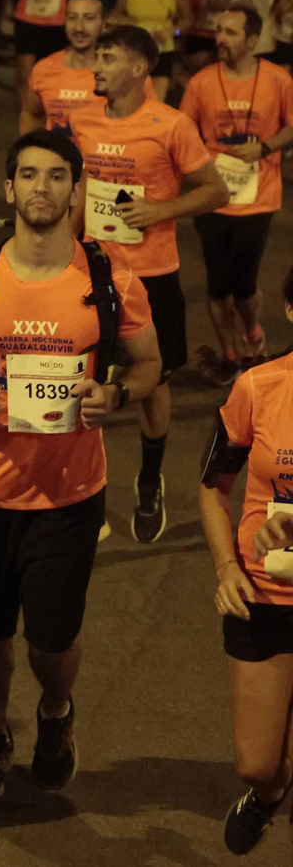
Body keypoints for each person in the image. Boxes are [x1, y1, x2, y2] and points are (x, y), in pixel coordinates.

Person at [0, 129, 161, 801]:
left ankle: (55, 712)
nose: (42, 189)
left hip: (70, 493)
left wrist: (114, 393)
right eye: (29, 176)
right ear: (9, 187)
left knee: (52, 641)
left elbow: (149, 365)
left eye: (56, 177)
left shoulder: (111, 280)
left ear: (76, 190)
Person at [69, 25, 229, 543]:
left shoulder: (171, 124)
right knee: (79, 378)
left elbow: (215, 190)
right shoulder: (82, 119)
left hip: (152, 276)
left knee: (151, 383)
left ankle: (148, 479)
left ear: (139, 68)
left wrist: (160, 209)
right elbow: (82, 188)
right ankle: (84, 492)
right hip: (92, 271)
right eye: (97, 56)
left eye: (107, 57)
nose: (96, 66)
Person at [200, 266, 293, 855]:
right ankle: (265, 798)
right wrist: (226, 567)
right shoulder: (258, 388)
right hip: (262, 596)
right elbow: (212, 488)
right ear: (290, 310)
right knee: (259, 764)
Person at [179, 7, 293, 385]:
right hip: (212, 195)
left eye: (230, 32)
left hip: (258, 196)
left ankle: (252, 332)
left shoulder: (278, 80)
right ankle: (229, 355)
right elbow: (183, 131)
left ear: (252, 40)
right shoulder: (201, 82)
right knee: (217, 283)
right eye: (218, 30)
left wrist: (262, 148)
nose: (220, 39)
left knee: (243, 284)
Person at [19, 0, 112, 134]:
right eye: (72, 18)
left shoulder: (122, 72)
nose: (79, 27)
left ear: (104, 24)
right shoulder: (44, 69)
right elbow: (32, 114)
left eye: (89, 18)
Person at [112, 0, 191, 101]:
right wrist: (128, 23)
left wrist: (172, 31)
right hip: (134, 50)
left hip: (162, 50)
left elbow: (188, 19)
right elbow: (116, 15)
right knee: (131, 99)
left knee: (155, 100)